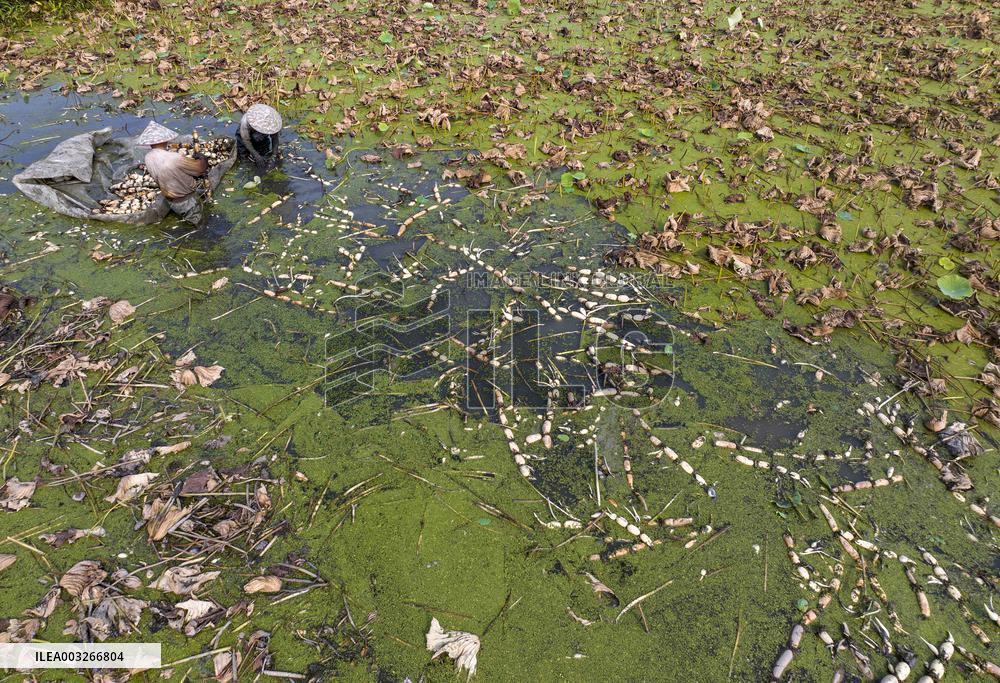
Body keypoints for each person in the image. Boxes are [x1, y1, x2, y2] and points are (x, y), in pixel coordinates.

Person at [137, 122, 208, 225]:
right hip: (186, 201)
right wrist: (202, 158)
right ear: (165, 140)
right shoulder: (174, 158)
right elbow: (200, 169)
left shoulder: (148, 157)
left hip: (171, 200)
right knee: (199, 223)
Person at [236, 104, 282, 171]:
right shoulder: (245, 122)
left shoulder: (273, 121)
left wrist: (274, 156)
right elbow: (246, 140)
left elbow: (275, 139)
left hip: (262, 137)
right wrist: (256, 156)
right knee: (243, 153)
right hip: (245, 134)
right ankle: (246, 166)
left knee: (264, 152)